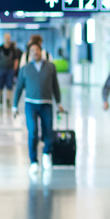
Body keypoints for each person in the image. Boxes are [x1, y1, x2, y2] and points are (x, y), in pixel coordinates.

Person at [13, 42, 65, 175]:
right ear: (29, 54)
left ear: (41, 51)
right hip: (30, 104)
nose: (35, 53)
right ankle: (33, 161)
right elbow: (19, 87)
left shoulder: (50, 67)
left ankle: (46, 154)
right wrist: (14, 105)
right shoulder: (25, 69)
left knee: (48, 130)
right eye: (32, 51)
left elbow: (55, 86)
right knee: (33, 132)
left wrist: (58, 102)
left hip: (46, 103)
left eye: (37, 50)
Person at [0, 33, 19, 106]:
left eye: (8, 38)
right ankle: (0, 96)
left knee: (9, 85)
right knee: (0, 85)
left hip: (10, 70)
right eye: (6, 38)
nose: (7, 39)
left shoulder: (13, 49)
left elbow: (16, 59)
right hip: (1, 69)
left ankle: (8, 99)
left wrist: (14, 69)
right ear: (3, 38)